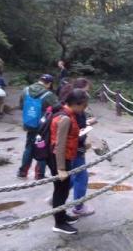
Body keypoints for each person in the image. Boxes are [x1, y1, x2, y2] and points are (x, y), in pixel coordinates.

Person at [49, 88, 89, 235]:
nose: (84, 109)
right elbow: (59, 145)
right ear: (76, 104)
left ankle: (62, 215)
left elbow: (71, 138)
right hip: (60, 158)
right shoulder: (65, 118)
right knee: (60, 191)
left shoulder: (69, 114)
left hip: (67, 156)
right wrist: (60, 168)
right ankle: (59, 223)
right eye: (83, 106)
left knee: (64, 189)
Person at [59, 78, 96, 217]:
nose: (88, 96)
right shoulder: (72, 112)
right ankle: (78, 207)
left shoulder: (70, 105)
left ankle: (58, 197)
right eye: (86, 91)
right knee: (81, 176)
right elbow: (68, 136)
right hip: (74, 149)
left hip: (76, 147)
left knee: (75, 176)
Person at [18, 74, 58, 179]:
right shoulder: (48, 94)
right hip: (42, 128)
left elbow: (21, 106)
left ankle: (22, 172)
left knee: (29, 148)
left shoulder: (26, 90)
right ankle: (39, 174)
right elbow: (57, 108)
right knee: (42, 148)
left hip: (29, 124)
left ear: (39, 80)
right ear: (49, 84)